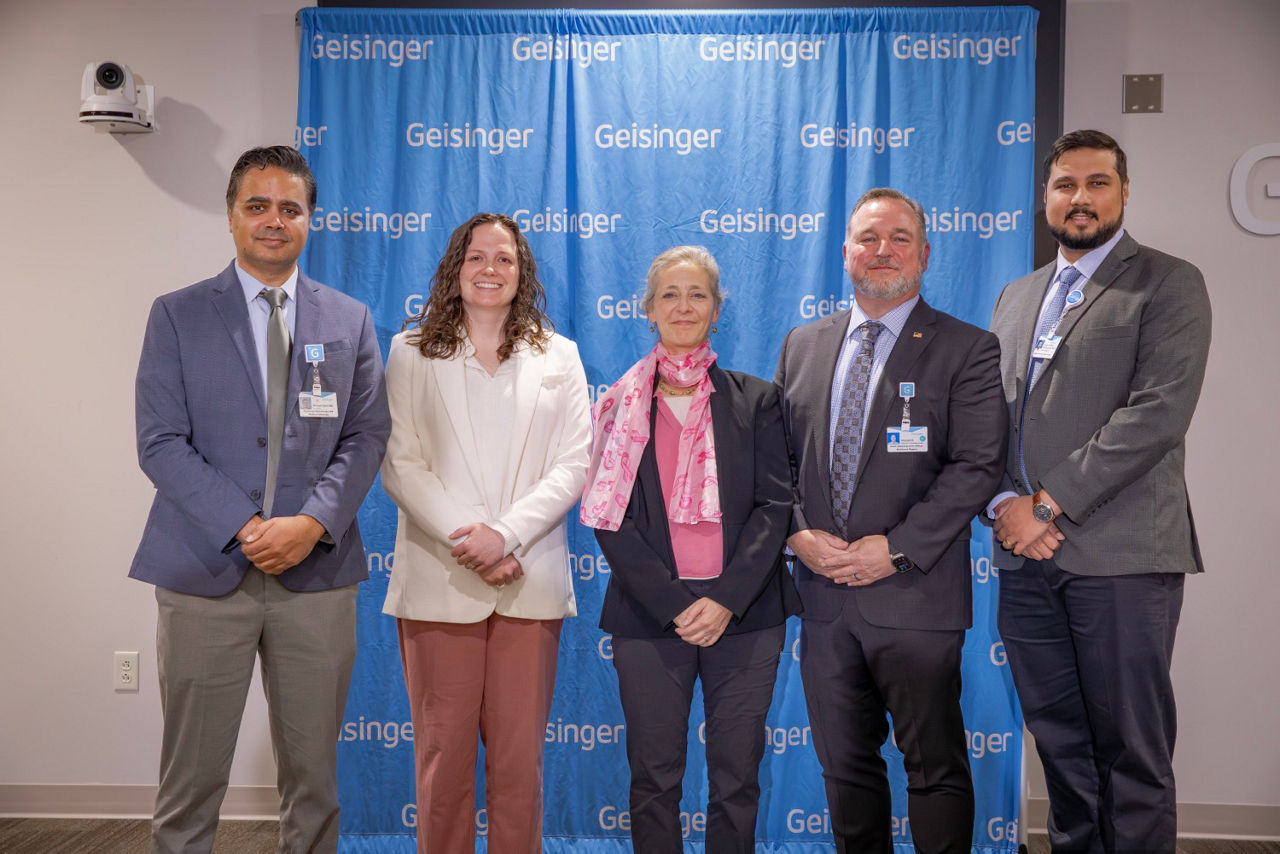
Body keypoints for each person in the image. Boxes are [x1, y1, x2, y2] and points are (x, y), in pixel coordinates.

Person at [131, 145, 390, 853]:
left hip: (316, 573)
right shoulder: (177, 315)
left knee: (314, 781)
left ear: (310, 220)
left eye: (289, 208)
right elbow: (159, 441)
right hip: (204, 570)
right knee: (191, 780)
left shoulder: (350, 320)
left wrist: (310, 523)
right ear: (231, 216)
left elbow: (367, 435)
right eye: (258, 205)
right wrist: (246, 525)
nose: (274, 220)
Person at [989, 129, 1211, 853]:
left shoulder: (1169, 282)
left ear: (1124, 193)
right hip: (1027, 561)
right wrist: (1005, 506)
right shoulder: (1017, 297)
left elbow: (1157, 415)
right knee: (1061, 749)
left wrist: (1045, 504)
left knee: (1131, 754)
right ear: (1046, 197)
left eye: (1097, 183)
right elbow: (992, 419)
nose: (1079, 198)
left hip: (1122, 556)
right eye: (1065, 184)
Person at [775, 188, 1007, 854]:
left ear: (925, 254)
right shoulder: (802, 344)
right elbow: (774, 460)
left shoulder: (967, 348)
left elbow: (978, 466)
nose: (883, 250)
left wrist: (898, 549)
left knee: (934, 769)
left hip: (916, 597)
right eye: (869, 238)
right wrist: (796, 532)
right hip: (824, 600)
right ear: (845, 252)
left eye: (899, 238)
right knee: (845, 770)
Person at [380, 212, 591, 853]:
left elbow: (574, 464)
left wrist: (505, 536)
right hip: (440, 581)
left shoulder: (560, 355)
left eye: (504, 258)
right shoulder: (410, 352)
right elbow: (401, 462)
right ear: (456, 267)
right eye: (477, 257)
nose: (490, 269)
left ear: (522, 272)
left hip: (528, 582)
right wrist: (472, 542)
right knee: (443, 762)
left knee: (519, 765)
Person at [582, 246, 799, 853]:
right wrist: (676, 605)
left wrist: (725, 599)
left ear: (716, 309)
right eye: (669, 295)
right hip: (650, 616)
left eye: (697, 294)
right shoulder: (620, 403)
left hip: (746, 615)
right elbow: (609, 517)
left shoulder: (757, 399)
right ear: (648, 309)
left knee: (736, 778)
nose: (683, 306)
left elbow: (775, 506)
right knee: (654, 777)